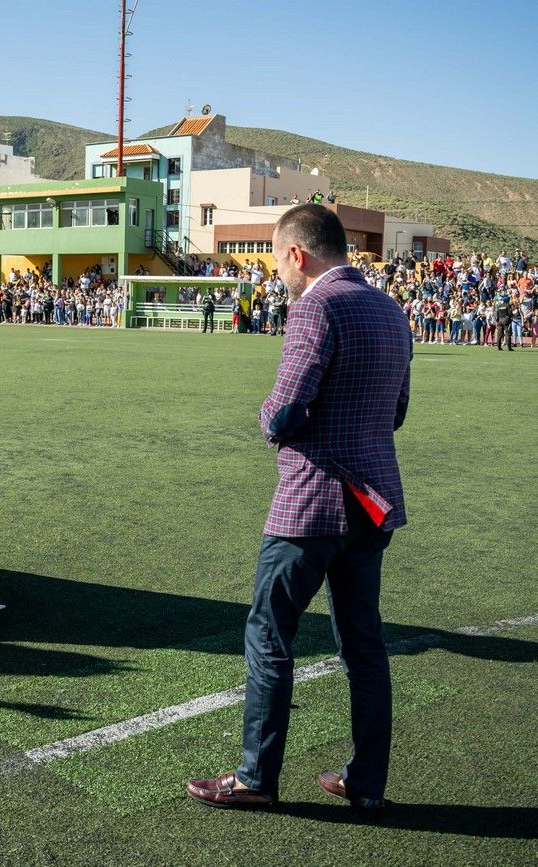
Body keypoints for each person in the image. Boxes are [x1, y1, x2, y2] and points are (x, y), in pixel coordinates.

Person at [187, 204, 411, 810]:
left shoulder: (314, 304)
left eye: (276, 260)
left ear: (296, 253)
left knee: (269, 633)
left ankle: (256, 778)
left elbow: (284, 412)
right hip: (371, 500)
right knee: (363, 643)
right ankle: (366, 784)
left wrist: (266, 418)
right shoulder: (391, 309)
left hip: (312, 501)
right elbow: (397, 413)